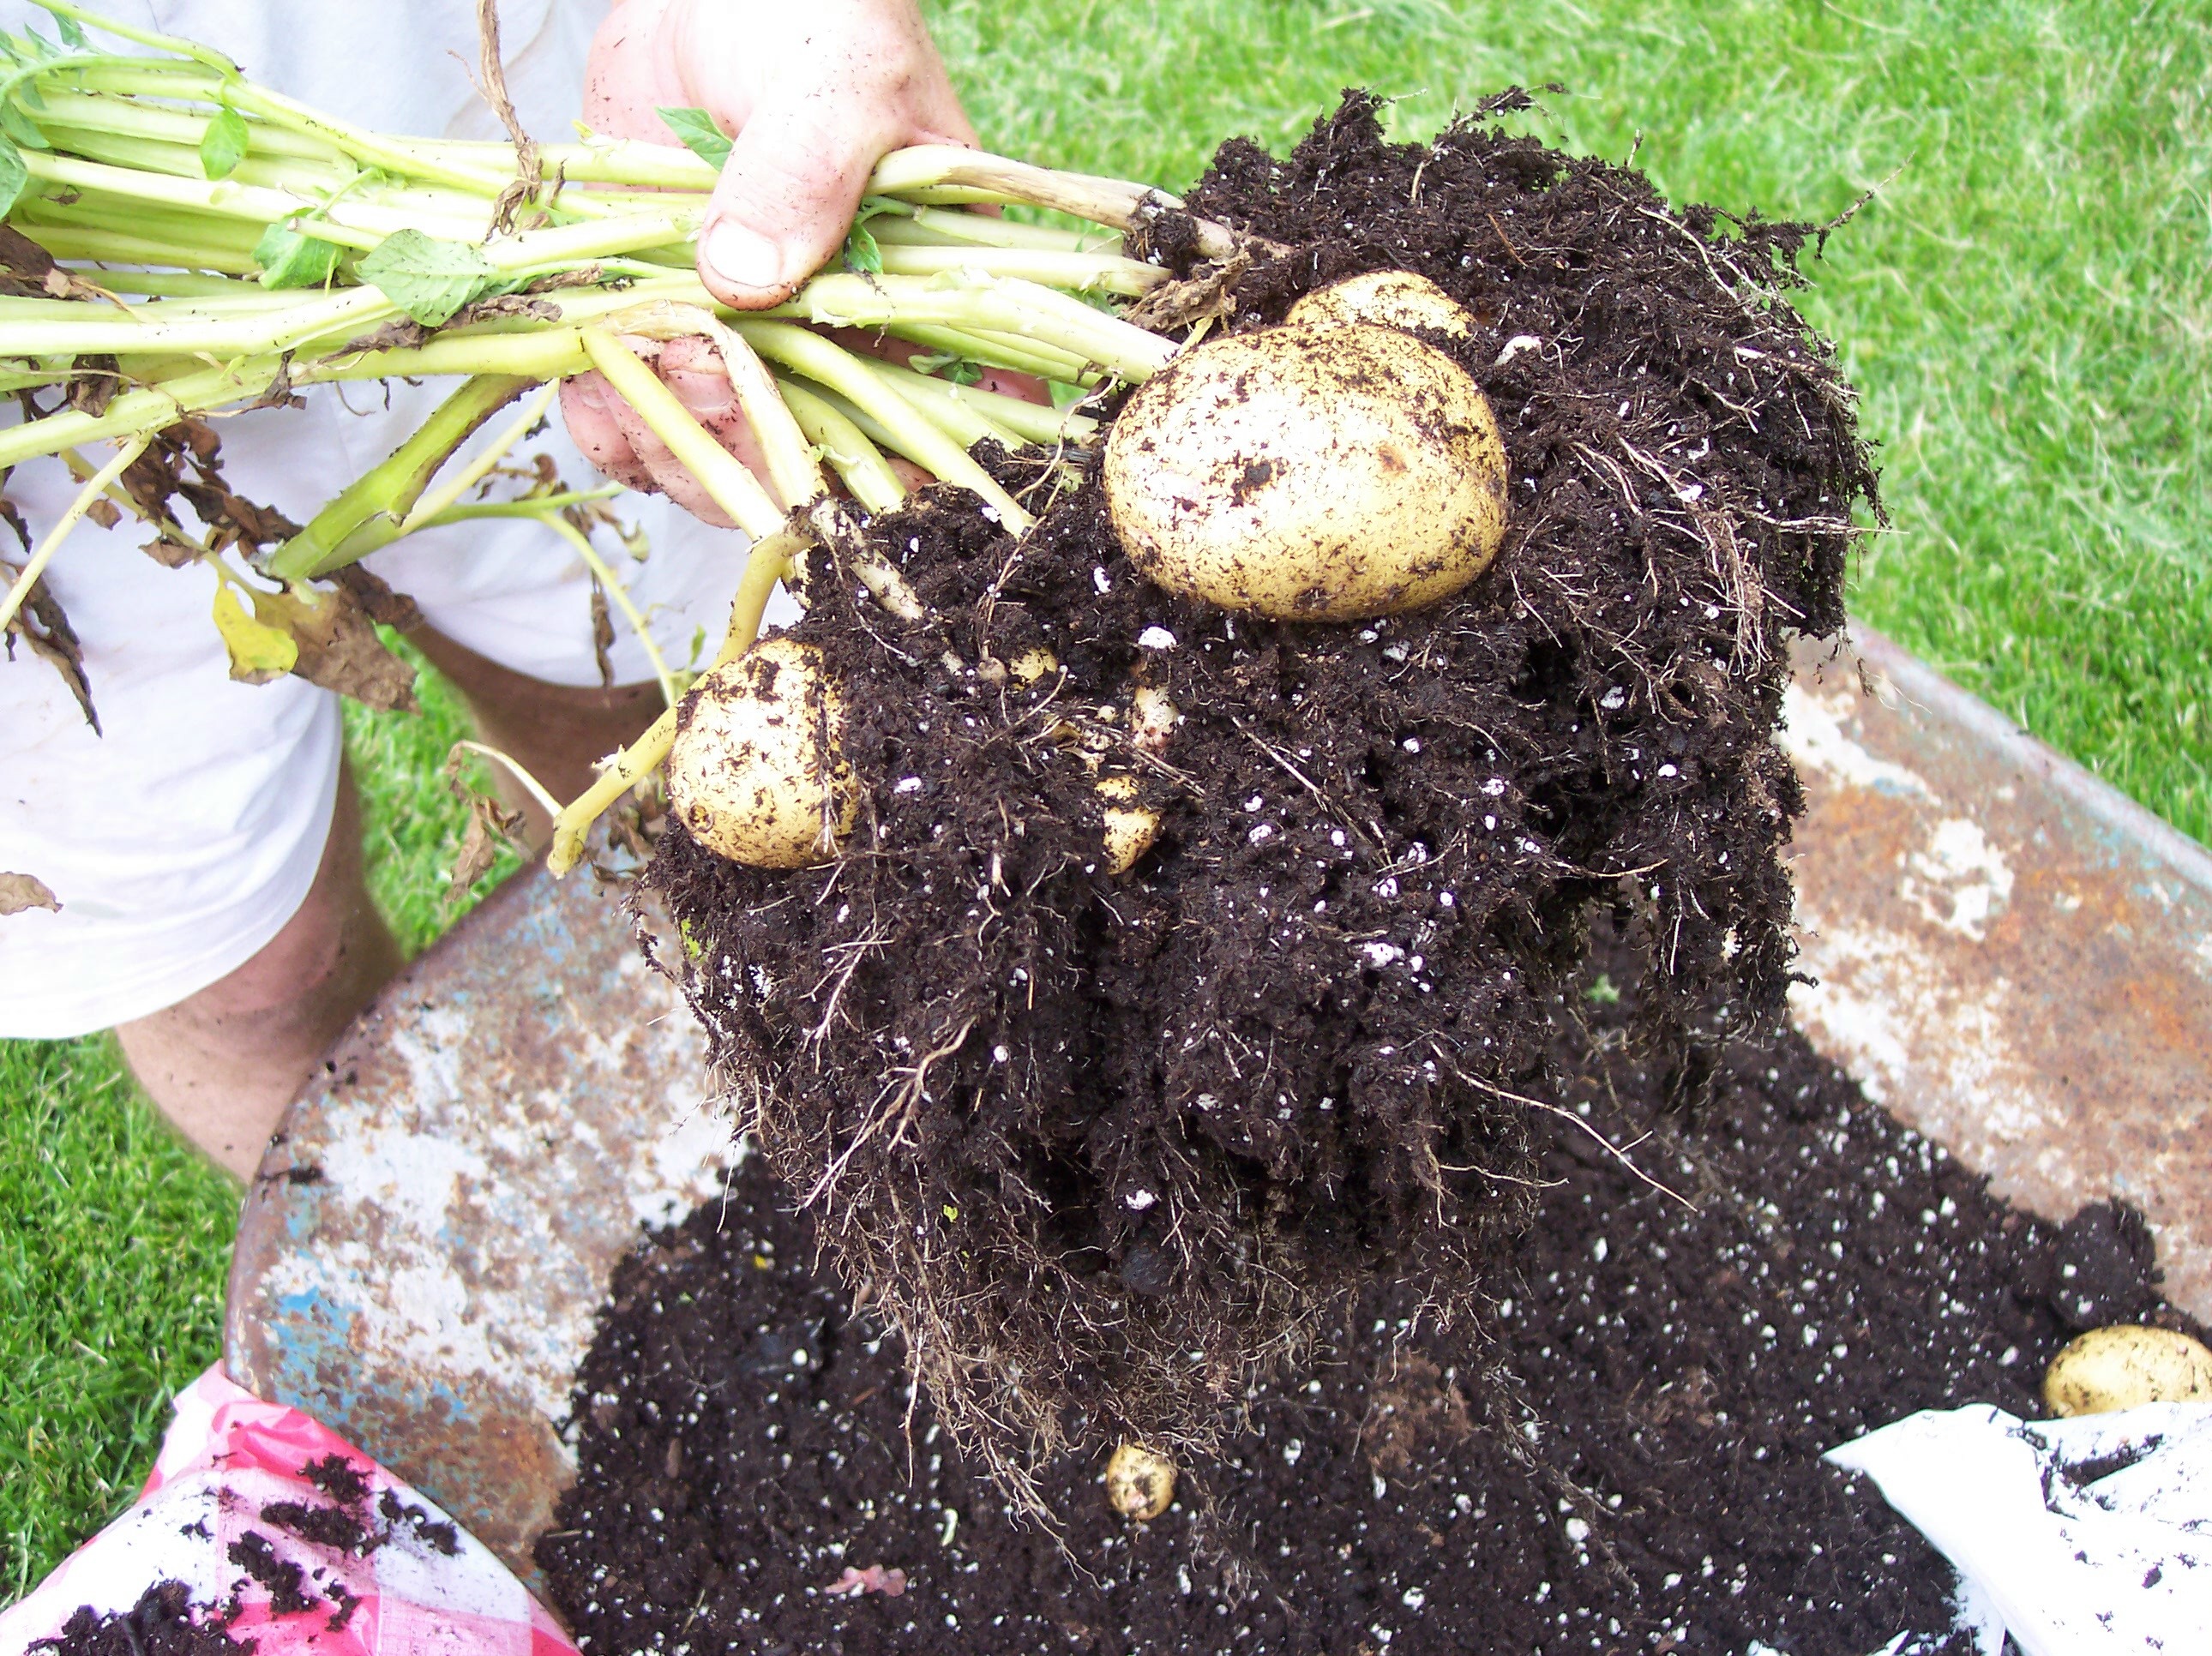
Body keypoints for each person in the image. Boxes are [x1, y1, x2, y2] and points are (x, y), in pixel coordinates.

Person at [0, 0, 981, 1176]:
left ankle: (741, 1123)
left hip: (414, 110)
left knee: (625, 686)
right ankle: (401, 1256)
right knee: (240, 971)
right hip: (41, 411)